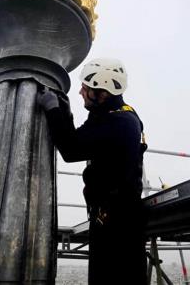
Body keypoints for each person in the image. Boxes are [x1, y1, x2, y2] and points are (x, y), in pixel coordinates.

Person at [38, 58, 148, 285]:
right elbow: (79, 139)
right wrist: (65, 113)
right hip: (116, 214)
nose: (80, 92)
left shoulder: (118, 122)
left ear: (102, 93)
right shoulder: (115, 114)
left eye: (86, 89)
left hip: (117, 221)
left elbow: (70, 150)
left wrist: (52, 110)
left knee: (110, 277)